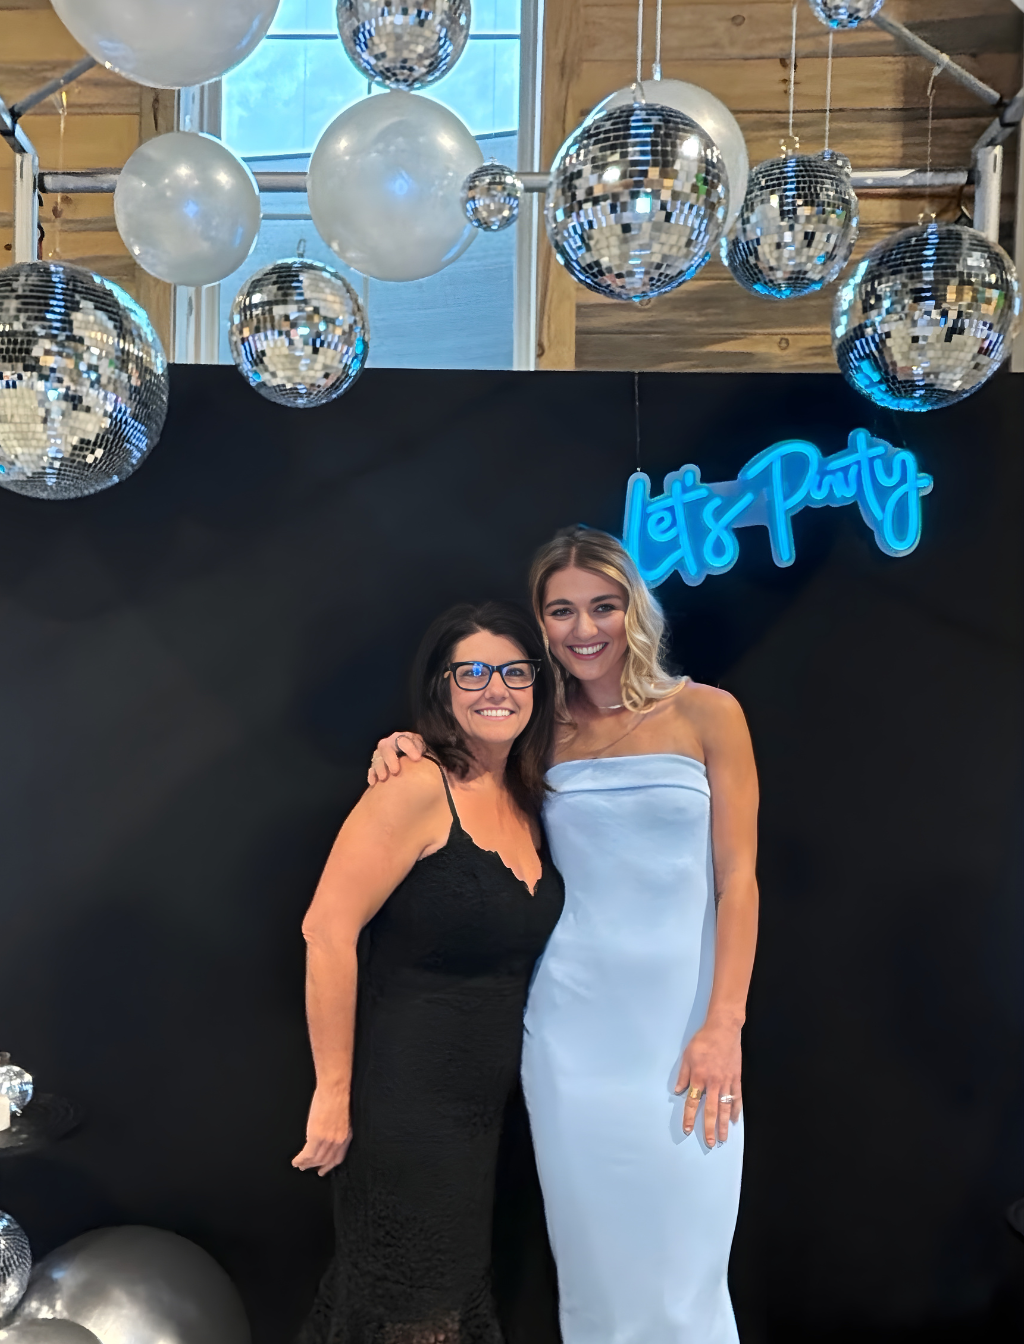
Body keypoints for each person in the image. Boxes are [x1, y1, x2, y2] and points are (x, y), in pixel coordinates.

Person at [370, 527, 759, 1344]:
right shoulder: (535, 732)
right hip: (571, 1038)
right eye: (561, 611)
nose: (585, 629)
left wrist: (723, 1024)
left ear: (634, 609)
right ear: (541, 624)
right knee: (594, 1275)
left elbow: (739, 882)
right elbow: (458, 773)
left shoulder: (708, 714)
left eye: (603, 606)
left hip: (686, 1034)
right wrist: (405, 745)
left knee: (687, 1274)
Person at [294, 601, 564, 1344]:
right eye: (471, 671)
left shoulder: (527, 796)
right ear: (442, 686)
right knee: (412, 1312)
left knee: (434, 1301)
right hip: (404, 1114)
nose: (495, 688)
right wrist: (333, 1093)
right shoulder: (416, 788)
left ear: (537, 686)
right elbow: (326, 931)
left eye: (514, 671)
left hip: (481, 1117)